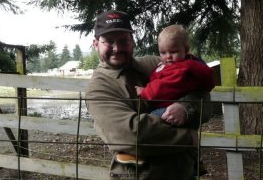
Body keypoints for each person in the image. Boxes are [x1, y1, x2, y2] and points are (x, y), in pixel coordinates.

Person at [85, 10, 212, 180]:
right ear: (96, 43)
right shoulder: (98, 88)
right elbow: (132, 135)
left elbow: (203, 92)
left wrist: (186, 108)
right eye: (108, 41)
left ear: (132, 41)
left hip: (184, 172)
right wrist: (189, 136)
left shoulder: (157, 64)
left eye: (123, 40)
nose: (117, 48)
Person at [116, 24, 215, 176]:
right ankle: (196, 161)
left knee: (150, 121)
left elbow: (165, 87)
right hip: (175, 107)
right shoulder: (171, 64)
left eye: (173, 52)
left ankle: (136, 153)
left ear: (186, 50)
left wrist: (145, 91)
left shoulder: (182, 67)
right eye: (163, 52)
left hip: (168, 107)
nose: (167, 56)